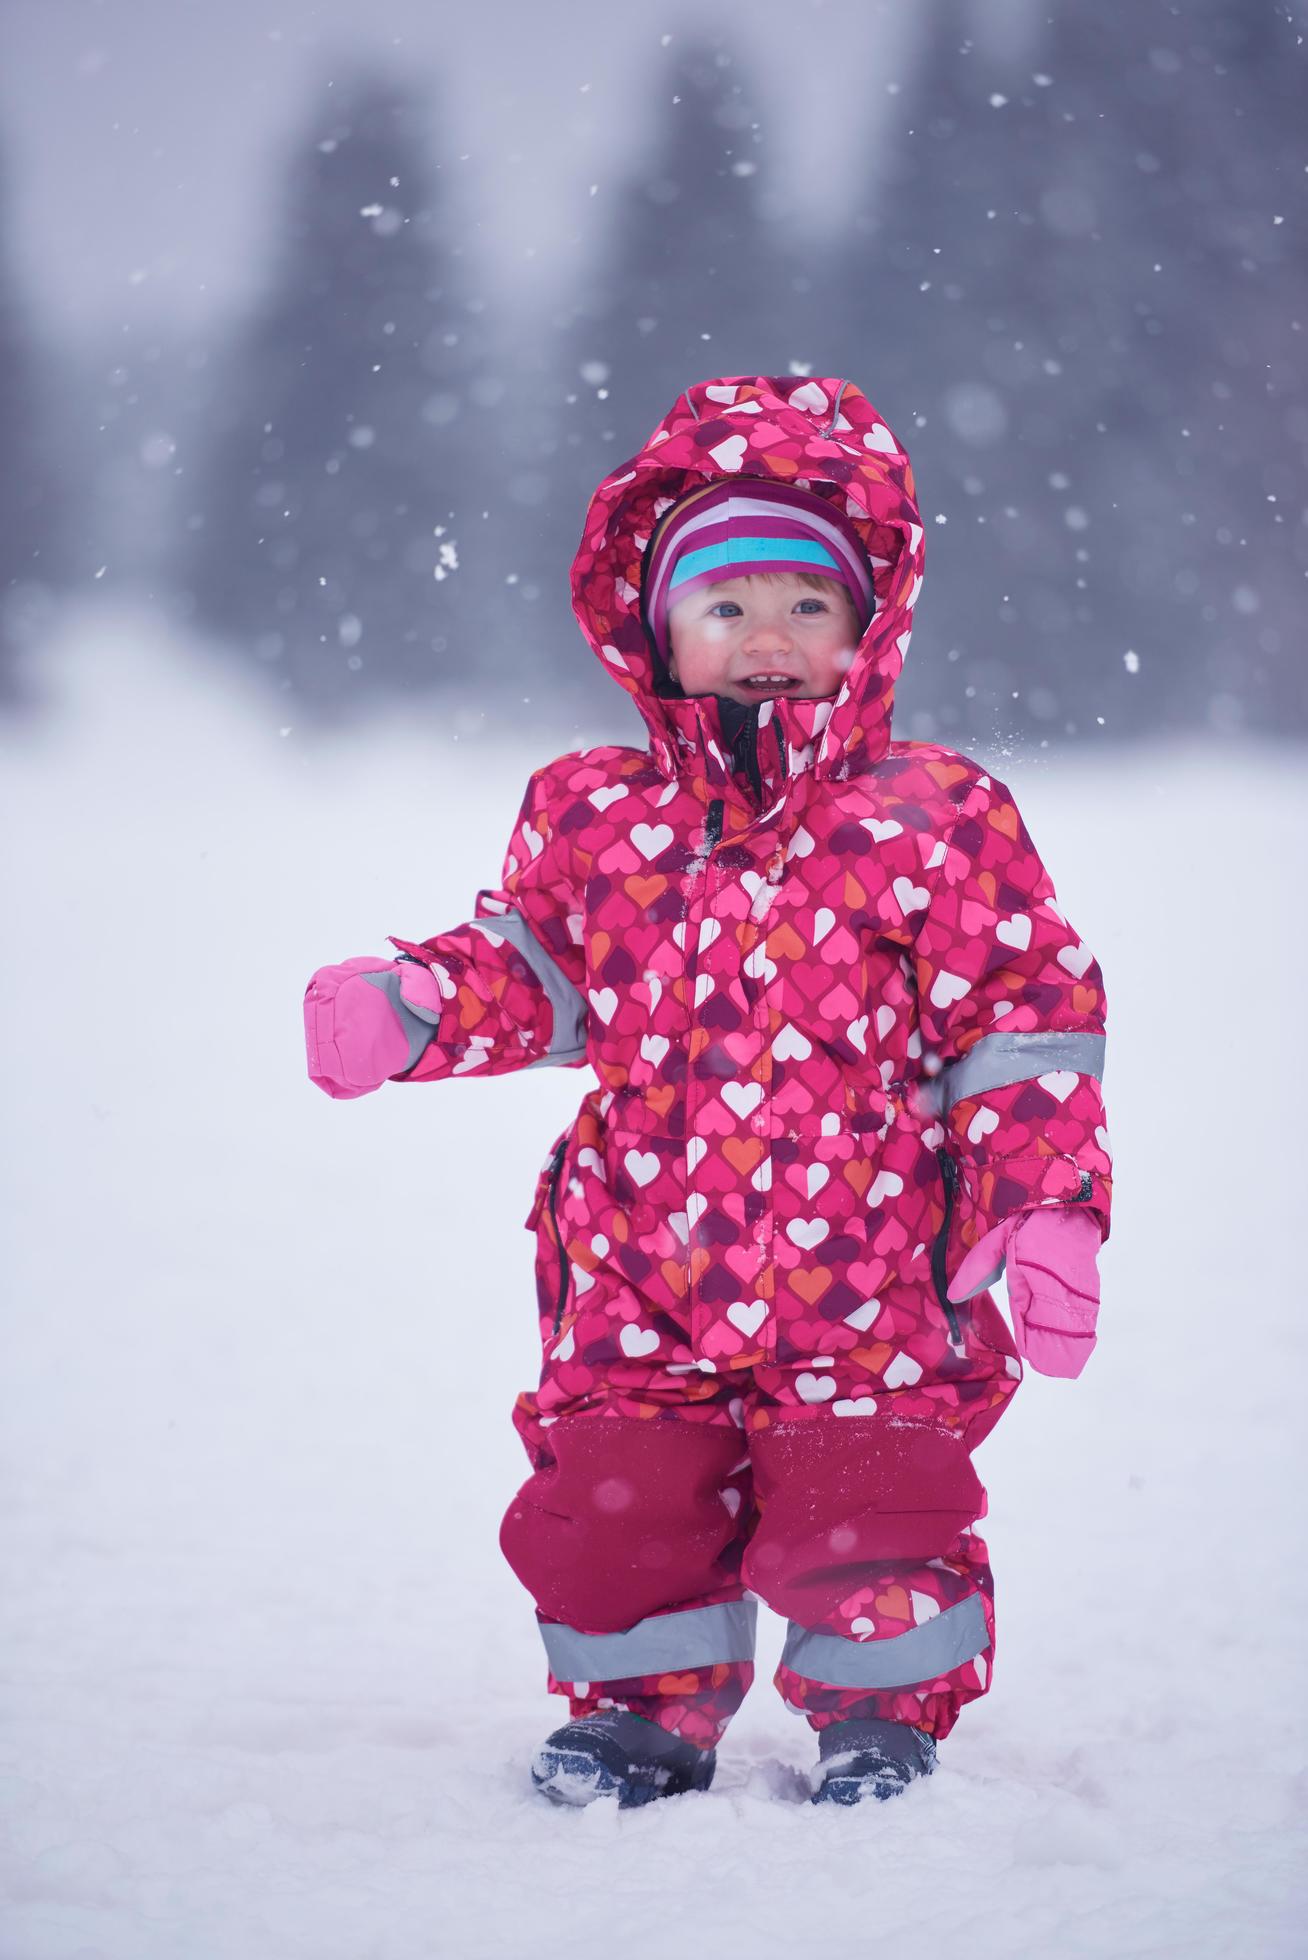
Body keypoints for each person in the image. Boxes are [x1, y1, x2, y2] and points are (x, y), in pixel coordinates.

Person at [303, 374, 1111, 1809]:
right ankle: (640, 1715)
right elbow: (544, 969)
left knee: (870, 1498)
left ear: (867, 629)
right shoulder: (597, 813)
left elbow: (1024, 1017)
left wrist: (1045, 1204)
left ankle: (882, 1717)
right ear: (658, 631)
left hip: (870, 1265)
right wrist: (419, 1007)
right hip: (638, 1263)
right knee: (619, 1499)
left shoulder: (932, 816)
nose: (767, 641)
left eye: (808, 604)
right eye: (724, 607)